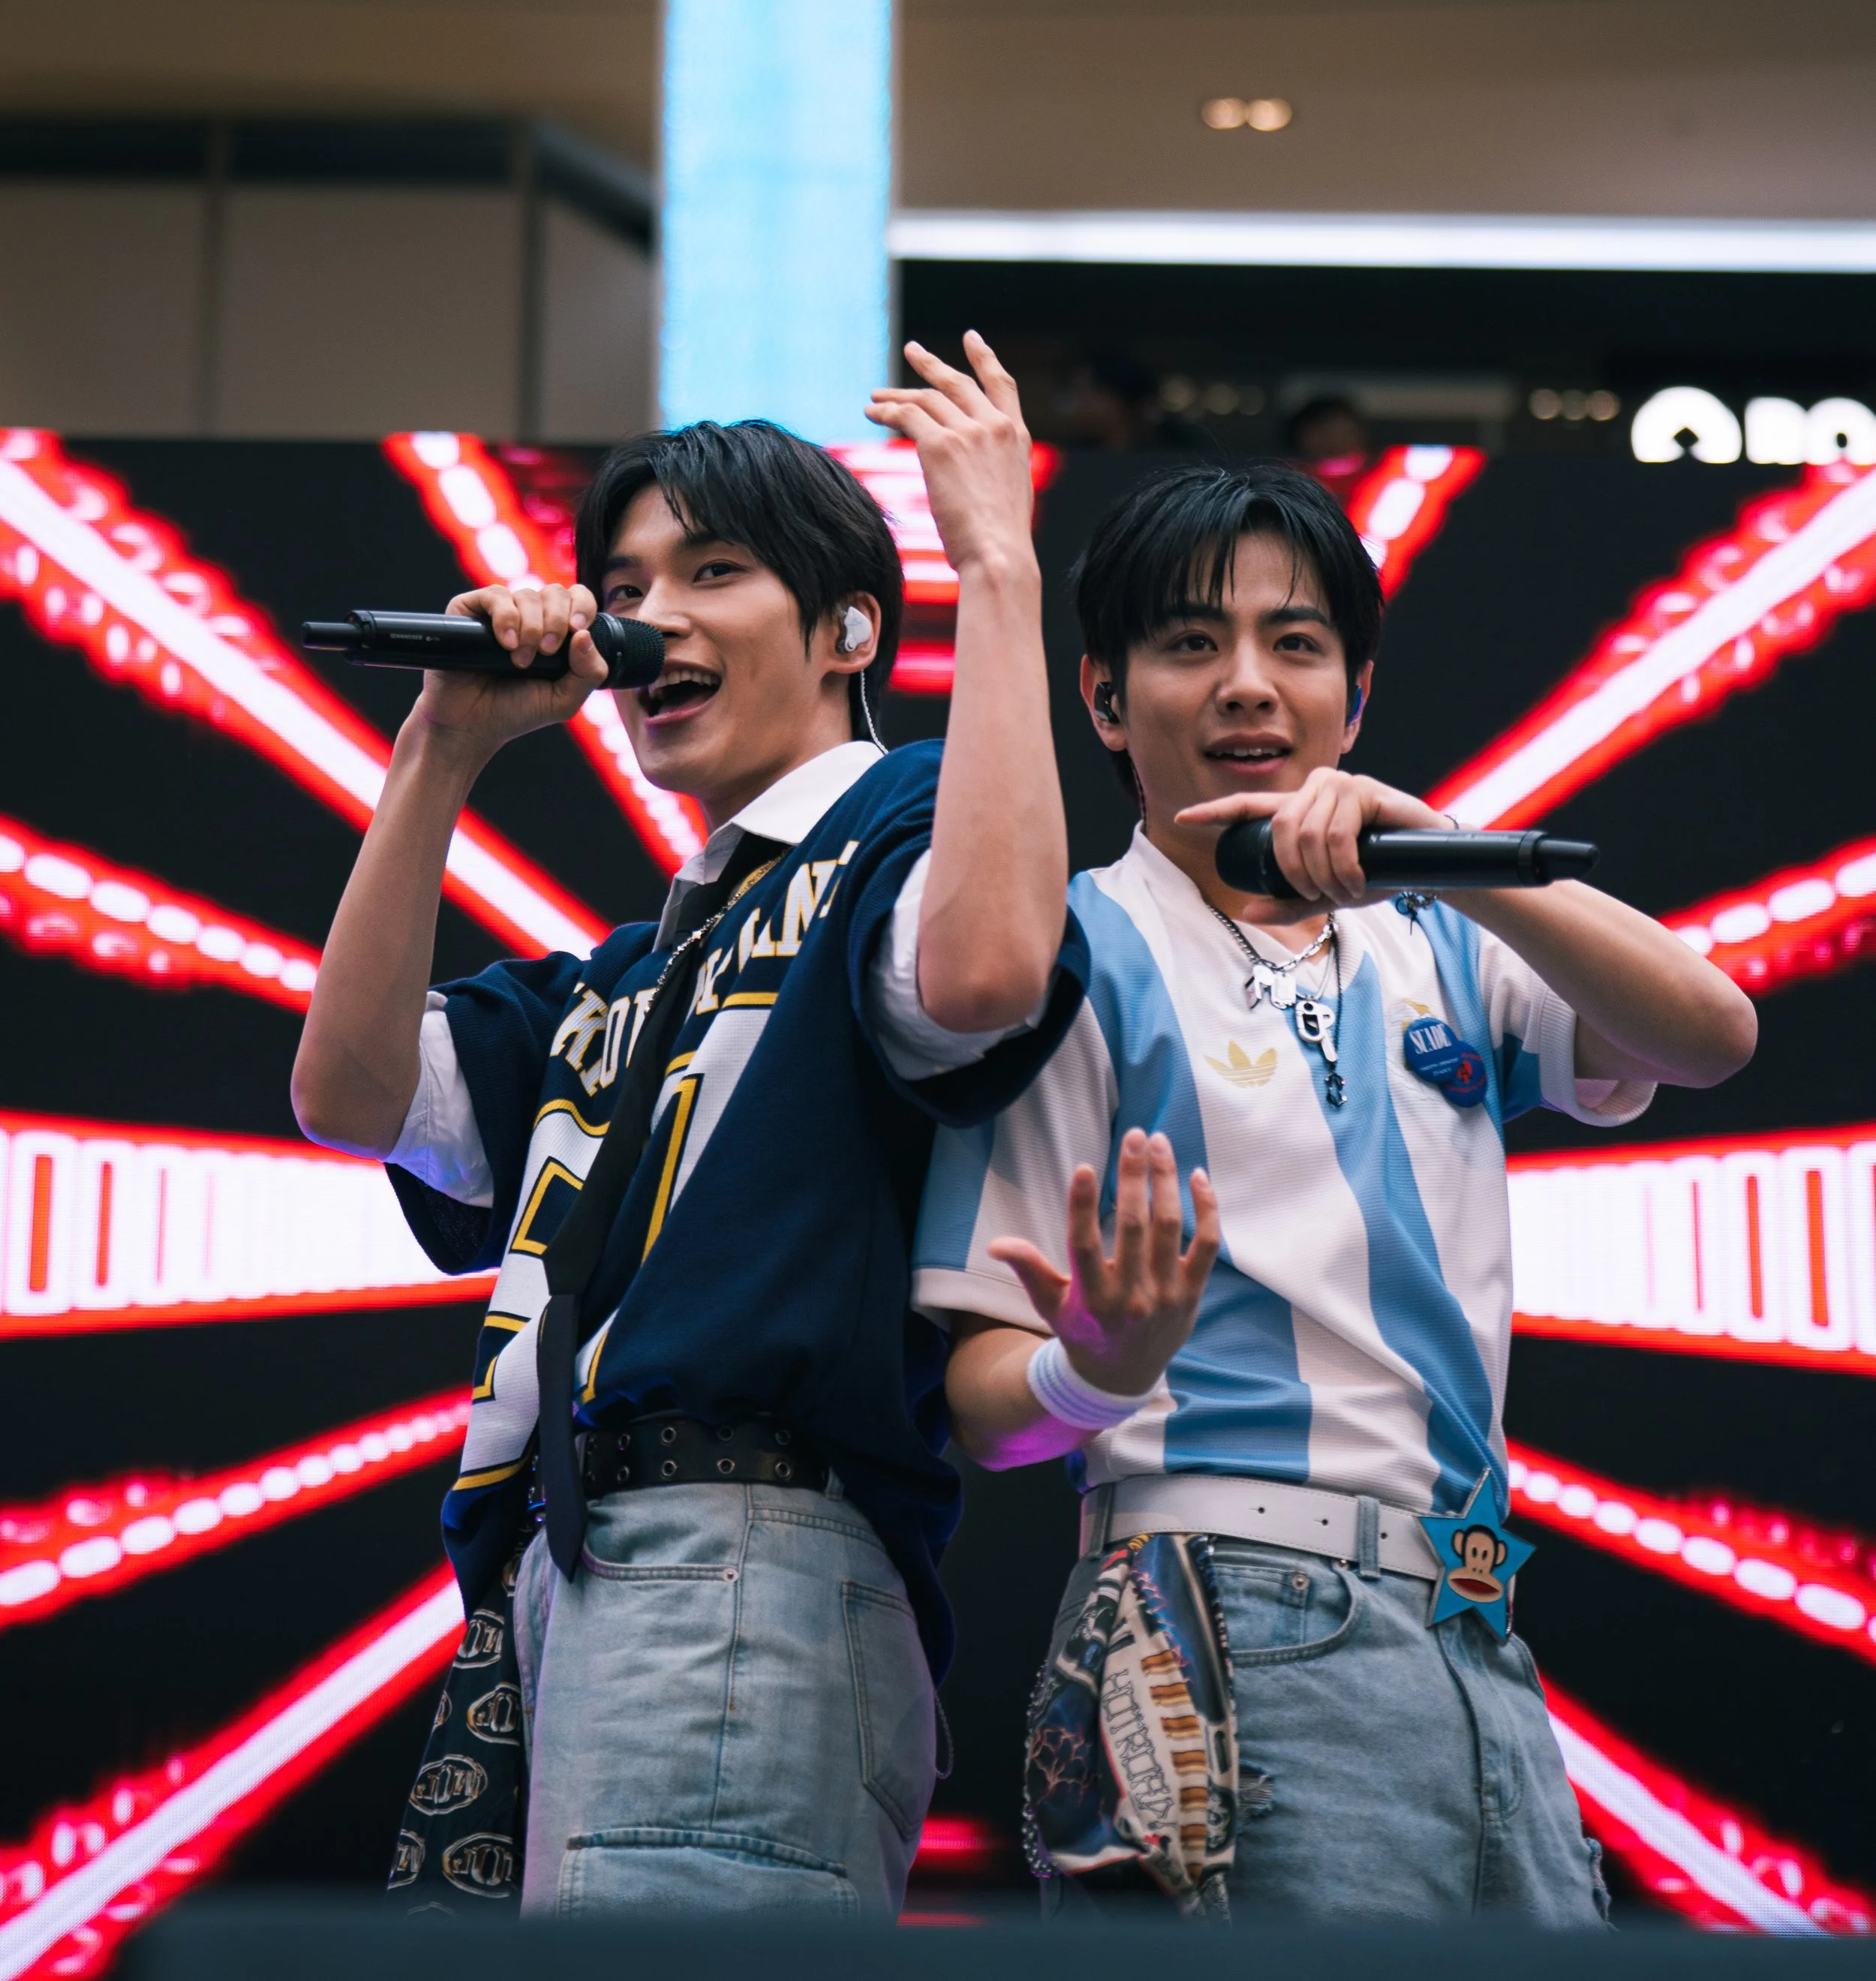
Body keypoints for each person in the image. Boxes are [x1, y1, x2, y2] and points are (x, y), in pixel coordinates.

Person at [292, 335, 1086, 1920]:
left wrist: (993, 563)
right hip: (561, 1577)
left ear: (848, 622)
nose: (645, 612)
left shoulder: (890, 830)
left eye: (712, 569)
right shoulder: (625, 966)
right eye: (625, 575)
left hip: (745, 1552)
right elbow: (347, 1095)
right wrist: (438, 749)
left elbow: (990, 965)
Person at [912, 461, 1757, 1923]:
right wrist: (1091, 1364)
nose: (1247, 684)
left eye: (1293, 643)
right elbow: (981, 1399)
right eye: (1188, 643)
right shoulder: (1070, 957)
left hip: (1469, 1618)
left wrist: (1437, 847)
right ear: (1102, 699)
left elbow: (1709, 1032)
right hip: (1229, 1607)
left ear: (1352, 697)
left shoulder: (1441, 936)